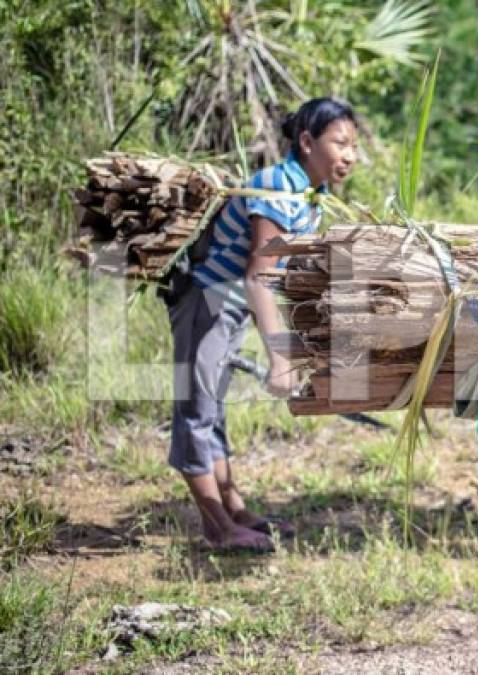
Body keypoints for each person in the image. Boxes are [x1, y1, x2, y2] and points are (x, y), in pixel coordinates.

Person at [167, 97, 359, 553]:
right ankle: (216, 527)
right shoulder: (276, 187)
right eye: (340, 143)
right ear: (307, 142)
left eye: (354, 146)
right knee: (196, 408)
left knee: (212, 406)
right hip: (208, 299)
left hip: (231, 306)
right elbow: (259, 274)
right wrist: (279, 356)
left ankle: (233, 508)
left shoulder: (313, 195)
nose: (350, 156)